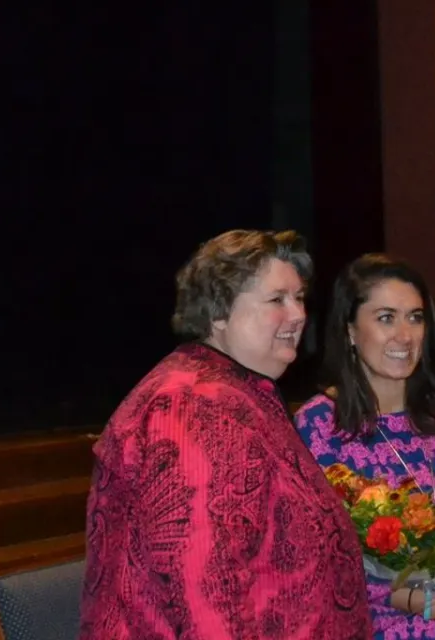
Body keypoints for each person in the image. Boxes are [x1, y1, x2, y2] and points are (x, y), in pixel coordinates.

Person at [82, 230, 371, 639]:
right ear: (218, 312)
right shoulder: (189, 406)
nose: (298, 314)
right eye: (277, 300)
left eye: (299, 297)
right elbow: (207, 595)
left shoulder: (234, 391)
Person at [292, 254, 435, 639]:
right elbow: (323, 559)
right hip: (378, 625)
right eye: (386, 318)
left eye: (415, 317)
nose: (405, 335)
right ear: (350, 329)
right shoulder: (320, 425)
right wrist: (433, 604)